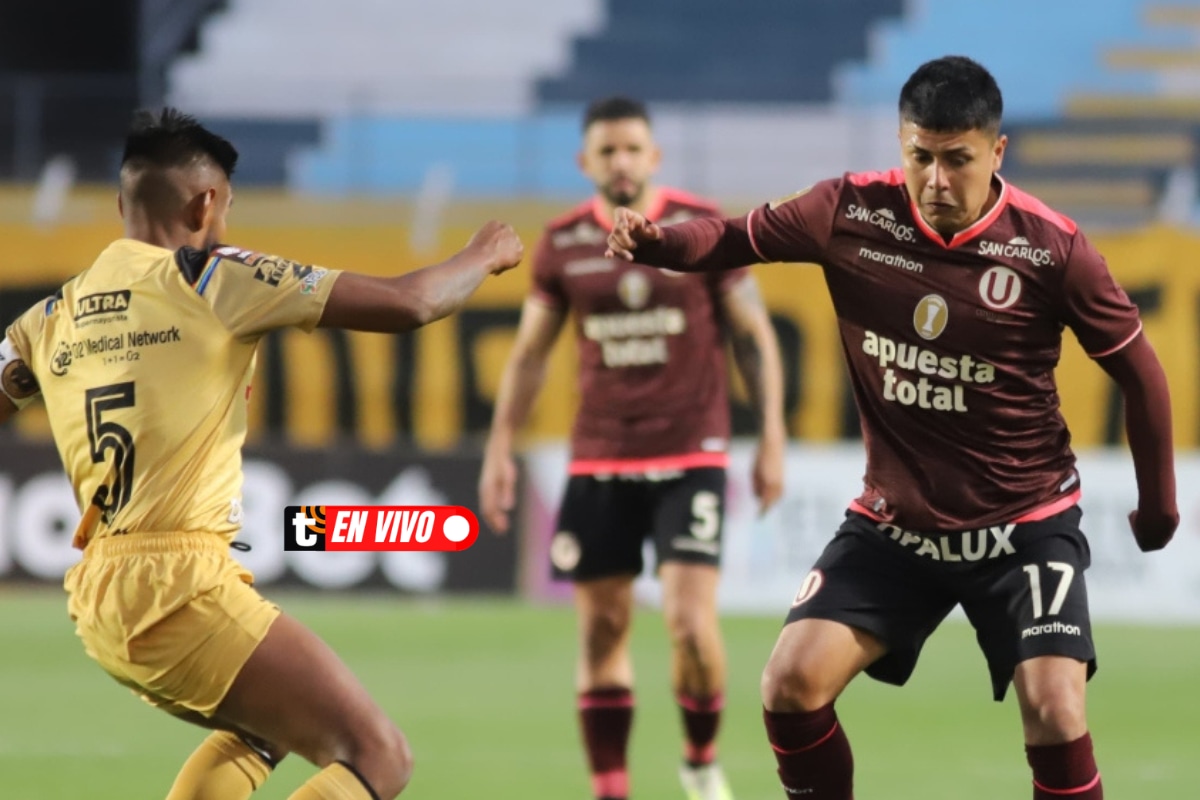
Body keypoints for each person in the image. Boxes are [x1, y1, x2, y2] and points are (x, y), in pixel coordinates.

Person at [605, 56, 1178, 800]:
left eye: (958, 160)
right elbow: (734, 238)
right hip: (896, 527)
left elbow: (1143, 375)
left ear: (996, 152)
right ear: (901, 144)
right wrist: (660, 246)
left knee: (1055, 707)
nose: (936, 180)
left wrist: (1159, 504)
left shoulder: (1052, 250)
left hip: (1023, 524)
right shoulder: (849, 212)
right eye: (921, 157)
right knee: (789, 682)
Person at [0, 108, 523, 800]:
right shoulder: (210, 278)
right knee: (380, 757)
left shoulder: (47, 317)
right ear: (207, 202)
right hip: (180, 584)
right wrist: (483, 255)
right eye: (228, 208)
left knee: (267, 726)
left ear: (122, 204)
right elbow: (412, 304)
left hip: (99, 591)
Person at [478, 96, 786, 800]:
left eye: (631, 149)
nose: (620, 162)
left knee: (687, 623)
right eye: (606, 151)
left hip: (693, 451)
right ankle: (611, 788)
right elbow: (529, 357)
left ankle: (700, 759)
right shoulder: (560, 245)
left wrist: (772, 436)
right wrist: (500, 450)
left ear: (654, 158)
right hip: (600, 457)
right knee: (602, 630)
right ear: (586, 162)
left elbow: (752, 335)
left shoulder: (702, 228)